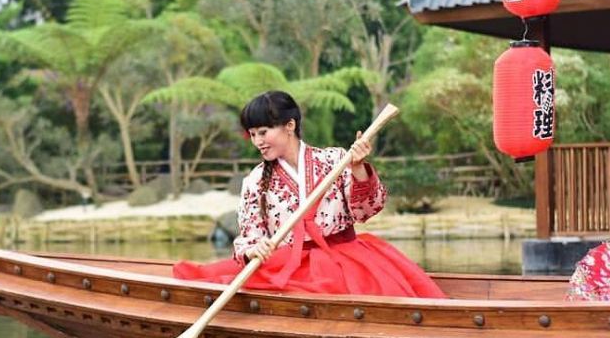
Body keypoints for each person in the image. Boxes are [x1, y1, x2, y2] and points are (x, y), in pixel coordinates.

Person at [173, 90, 446, 298]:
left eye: (263, 132)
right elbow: (248, 236)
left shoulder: (336, 160)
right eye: (253, 134)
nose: (257, 142)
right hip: (290, 265)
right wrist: (255, 248)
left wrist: (358, 168)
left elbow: (366, 211)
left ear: (289, 126)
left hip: (347, 258)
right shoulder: (255, 181)